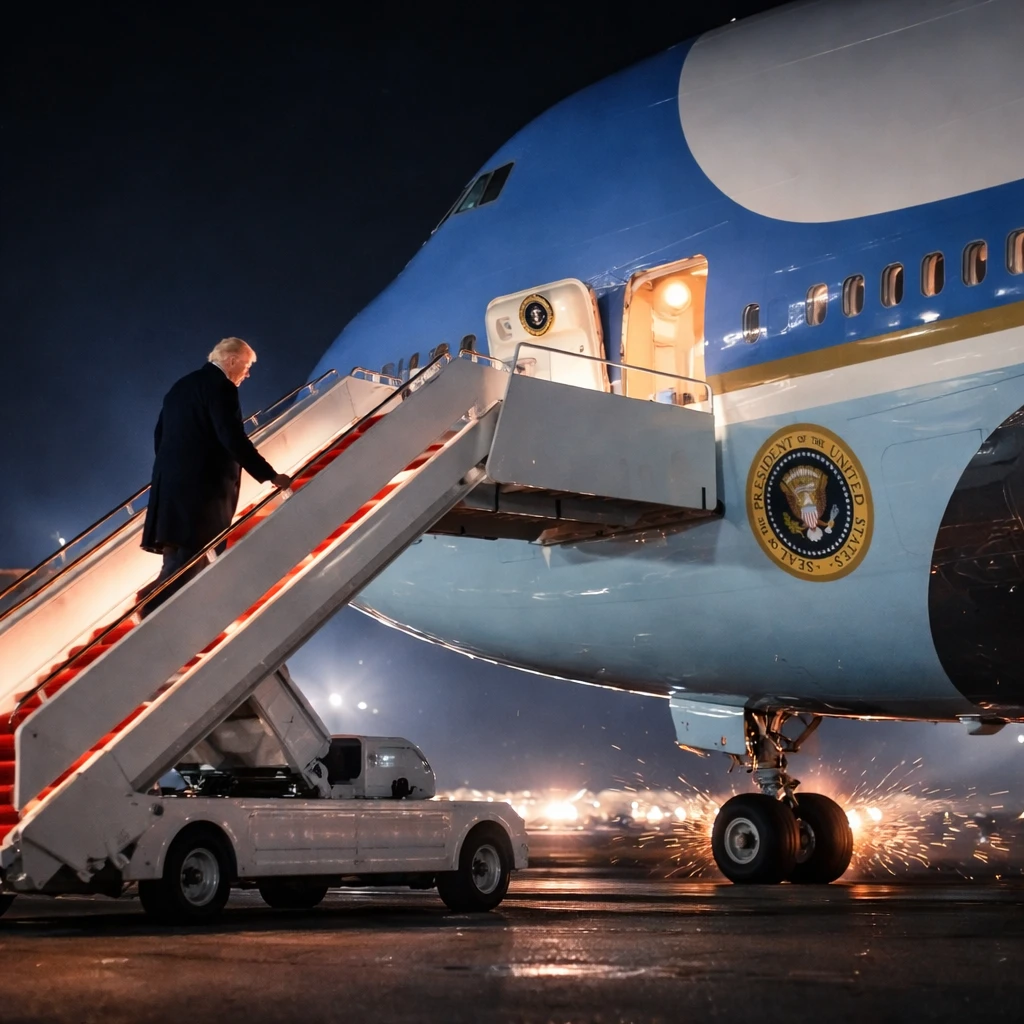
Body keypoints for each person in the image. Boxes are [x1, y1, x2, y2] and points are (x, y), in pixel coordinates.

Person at [139, 337, 291, 616]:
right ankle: (152, 612)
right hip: (202, 498)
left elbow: (159, 436)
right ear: (231, 360)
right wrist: (269, 475)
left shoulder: (180, 387)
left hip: (171, 491)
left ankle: (161, 611)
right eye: (246, 366)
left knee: (177, 561)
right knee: (192, 563)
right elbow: (231, 437)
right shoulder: (221, 388)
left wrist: (176, 469)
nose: (247, 374)